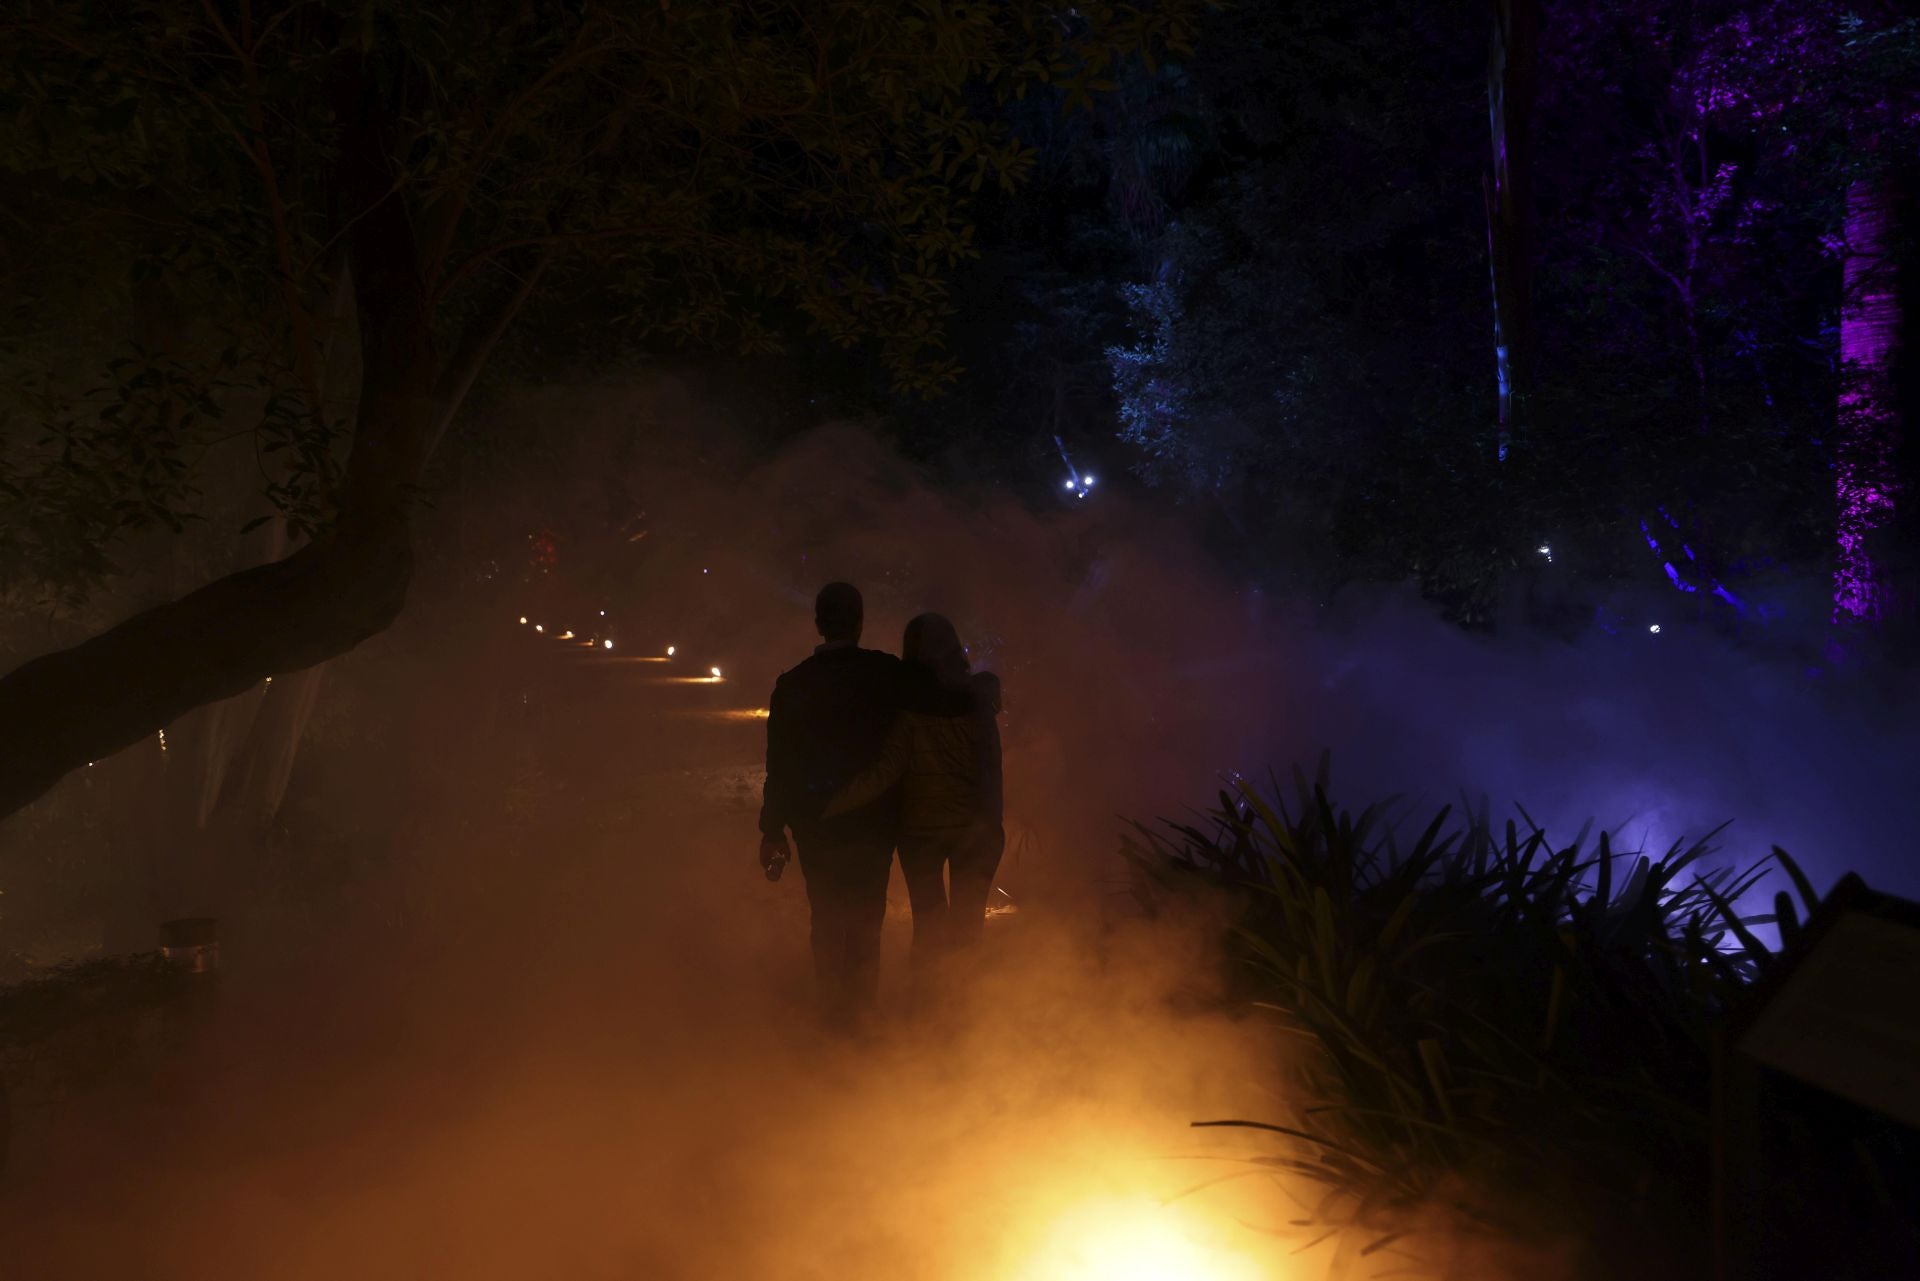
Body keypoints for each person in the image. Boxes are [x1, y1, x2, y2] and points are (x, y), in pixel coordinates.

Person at [758, 582, 903, 1029]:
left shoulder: (793, 685)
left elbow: (779, 765)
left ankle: (831, 1013)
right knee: (866, 919)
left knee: (826, 914)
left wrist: (772, 828)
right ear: (860, 622)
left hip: (815, 824)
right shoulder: (886, 674)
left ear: (818, 623)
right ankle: (859, 1015)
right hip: (873, 822)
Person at [823, 613, 1003, 971]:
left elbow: (884, 772)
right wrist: (993, 824)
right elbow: (993, 770)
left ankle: (926, 1010)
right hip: (974, 831)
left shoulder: (907, 710)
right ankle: (967, 1011)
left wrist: (830, 803)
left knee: (929, 927)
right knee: (970, 930)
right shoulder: (979, 704)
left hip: (921, 832)